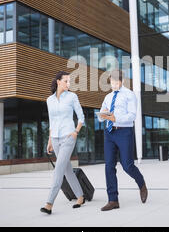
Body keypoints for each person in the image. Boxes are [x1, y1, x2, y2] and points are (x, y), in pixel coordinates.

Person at [98, 70, 147, 211]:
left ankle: (141, 183)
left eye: (116, 82)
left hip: (124, 132)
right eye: (112, 82)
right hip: (109, 132)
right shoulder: (108, 97)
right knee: (109, 167)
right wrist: (103, 115)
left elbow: (132, 116)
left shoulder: (129, 95)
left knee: (127, 165)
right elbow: (100, 116)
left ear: (122, 81)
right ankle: (113, 200)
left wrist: (116, 118)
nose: (114, 85)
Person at [40, 71, 86, 215]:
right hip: (55, 137)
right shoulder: (50, 100)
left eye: (69, 81)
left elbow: (81, 117)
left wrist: (75, 132)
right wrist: (49, 141)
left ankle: (49, 203)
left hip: (68, 136)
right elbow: (52, 121)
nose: (68, 84)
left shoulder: (72, 97)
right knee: (66, 169)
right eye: (66, 81)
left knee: (59, 168)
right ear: (58, 81)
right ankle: (80, 196)